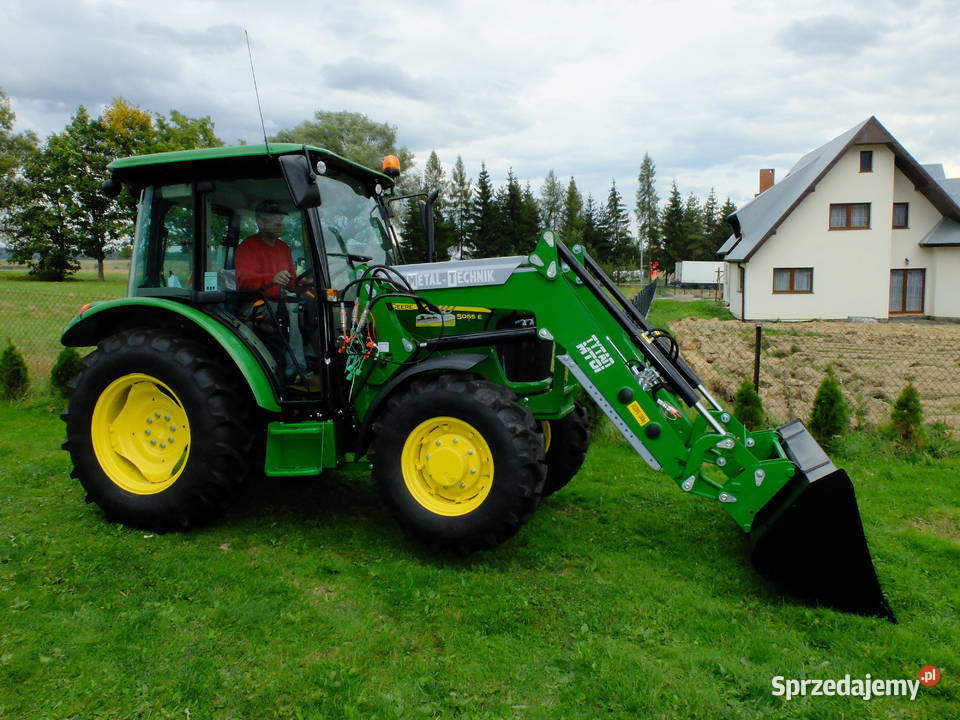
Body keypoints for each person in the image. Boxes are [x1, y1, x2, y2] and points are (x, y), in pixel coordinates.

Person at [235, 200, 297, 300]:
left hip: (279, 301)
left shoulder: (284, 248)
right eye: (273, 219)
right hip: (255, 303)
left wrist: (309, 284)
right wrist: (272, 278)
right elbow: (243, 283)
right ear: (260, 222)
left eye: (281, 218)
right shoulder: (247, 247)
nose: (279, 223)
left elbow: (291, 282)